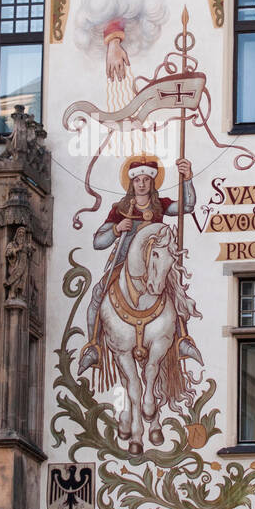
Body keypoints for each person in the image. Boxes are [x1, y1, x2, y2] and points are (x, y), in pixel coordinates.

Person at [78, 155, 202, 372]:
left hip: (155, 265)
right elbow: (98, 242)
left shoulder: (160, 205)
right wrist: (117, 229)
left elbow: (187, 207)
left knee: (175, 293)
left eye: (146, 179)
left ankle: (182, 339)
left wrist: (187, 178)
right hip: (124, 262)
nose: (142, 184)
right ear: (131, 182)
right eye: (137, 180)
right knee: (98, 294)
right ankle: (93, 346)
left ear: (152, 182)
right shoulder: (121, 208)